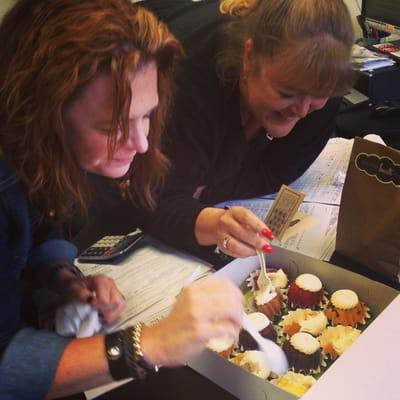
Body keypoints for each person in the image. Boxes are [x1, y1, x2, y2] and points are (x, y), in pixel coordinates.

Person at [0, 1, 244, 398]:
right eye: (112, 126)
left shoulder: (48, 152)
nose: (141, 142)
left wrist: (60, 274)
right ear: (42, 114)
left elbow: (40, 224)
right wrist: (150, 344)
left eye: (146, 115)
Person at [137, 0, 356, 257]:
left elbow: (277, 172)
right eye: (287, 92)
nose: (302, 110)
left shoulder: (325, 82)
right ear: (249, 57)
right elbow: (151, 201)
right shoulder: (189, 81)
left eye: (318, 95)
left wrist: (206, 188)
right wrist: (211, 220)